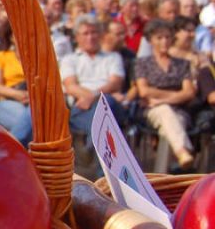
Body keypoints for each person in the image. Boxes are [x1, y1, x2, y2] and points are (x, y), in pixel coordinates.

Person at [135, 21, 197, 170]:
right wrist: (175, 95)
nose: (165, 41)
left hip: (178, 110)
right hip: (151, 111)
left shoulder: (182, 64)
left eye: (168, 37)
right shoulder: (142, 63)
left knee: (169, 119)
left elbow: (189, 92)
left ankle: (163, 171)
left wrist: (161, 99)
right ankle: (182, 152)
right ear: (151, 40)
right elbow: (144, 91)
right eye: (160, 37)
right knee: (165, 112)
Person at [60, 19, 126, 138]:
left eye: (94, 32)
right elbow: (71, 86)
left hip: (111, 107)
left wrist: (96, 96)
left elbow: (115, 83)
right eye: (85, 33)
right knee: (103, 122)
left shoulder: (113, 57)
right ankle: (97, 151)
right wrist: (94, 96)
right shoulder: (69, 60)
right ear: (76, 37)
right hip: (81, 108)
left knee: (106, 102)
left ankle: (92, 151)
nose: (90, 37)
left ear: (100, 35)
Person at [0, 23, 33, 147]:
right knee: (32, 124)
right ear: (11, 37)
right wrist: (18, 94)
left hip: (32, 103)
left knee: (31, 119)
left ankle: (10, 148)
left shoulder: (36, 58)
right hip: (7, 101)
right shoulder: (1, 57)